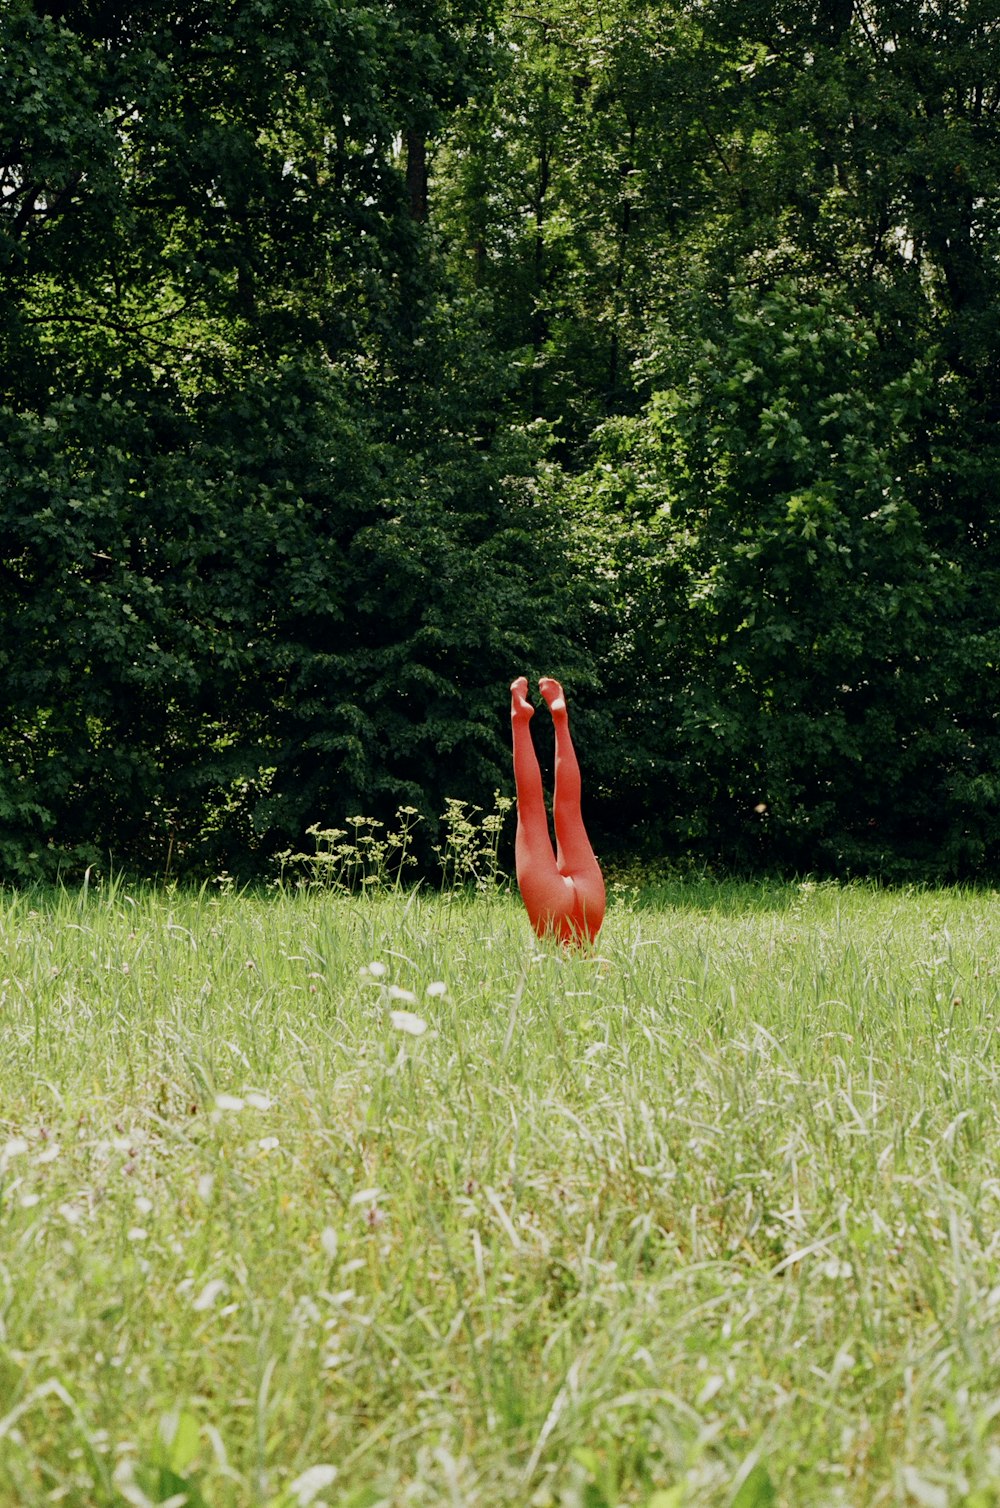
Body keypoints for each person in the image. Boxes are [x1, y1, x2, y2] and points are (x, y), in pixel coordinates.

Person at [510, 676, 606, 944]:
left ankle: (559, 721)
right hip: (576, 908)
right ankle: (520, 718)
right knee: (530, 808)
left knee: (568, 809)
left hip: (588, 903)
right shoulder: (591, 975)